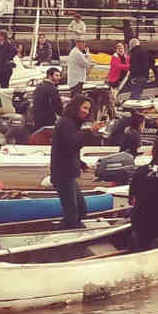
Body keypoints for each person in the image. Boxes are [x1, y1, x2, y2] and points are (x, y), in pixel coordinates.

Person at [50, 95, 104, 228]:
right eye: (84, 108)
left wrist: (81, 163)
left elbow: (68, 149)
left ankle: (62, 229)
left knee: (80, 210)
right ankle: (69, 237)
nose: (86, 111)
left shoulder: (72, 123)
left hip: (69, 173)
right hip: (63, 174)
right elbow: (72, 145)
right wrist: (90, 131)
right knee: (72, 213)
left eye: (88, 109)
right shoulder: (65, 123)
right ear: (76, 107)